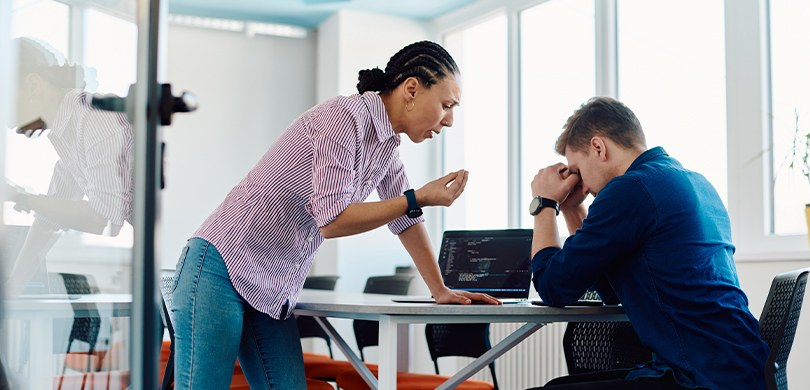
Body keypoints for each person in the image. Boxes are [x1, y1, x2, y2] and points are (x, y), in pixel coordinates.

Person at [171, 40, 500, 389]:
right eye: (447, 105)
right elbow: (332, 220)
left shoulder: (386, 145)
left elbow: (407, 219)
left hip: (270, 287)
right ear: (412, 89)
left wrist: (439, 289)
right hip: (220, 269)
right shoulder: (343, 118)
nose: (449, 120)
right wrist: (416, 197)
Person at [527, 97, 768, 390]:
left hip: (699, 377)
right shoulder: (691, 181)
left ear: (598, 148)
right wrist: (571, 208)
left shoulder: (631, 189)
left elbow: (552, 286)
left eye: (577, 169)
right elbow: (607, 287)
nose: (581, 184)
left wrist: (544, 204)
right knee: (557, 384)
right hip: (734, 367)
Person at [4, 37, 133, 295]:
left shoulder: (94, 118)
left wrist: (22, 197)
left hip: (206, 248)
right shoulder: (68, 136)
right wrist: (10, 290)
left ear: (32, 85)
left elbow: (104, 219)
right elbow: (48, 221)